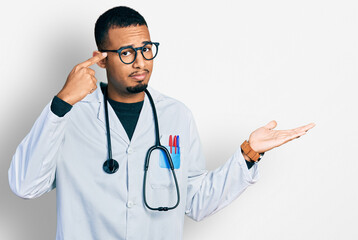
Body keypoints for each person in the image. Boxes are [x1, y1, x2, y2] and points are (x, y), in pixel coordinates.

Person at [8, 6, 315, 240]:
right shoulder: (69, 115)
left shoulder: (175, 116)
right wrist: (61, 103)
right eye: (127, 53)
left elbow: (195, 201)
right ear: (101, 59)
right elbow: (25, 186)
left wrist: (249, 153)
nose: (140, 62)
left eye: (146, 49)